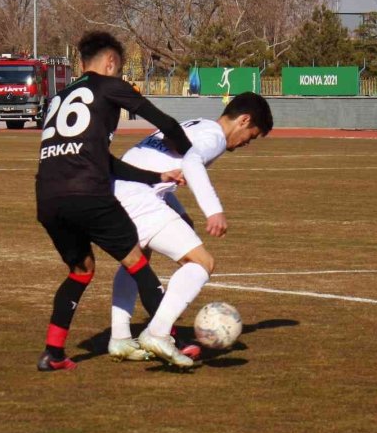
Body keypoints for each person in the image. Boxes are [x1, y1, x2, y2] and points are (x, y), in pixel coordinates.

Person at [35, 30, 194, 372]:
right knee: (138, 262)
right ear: (110, 63)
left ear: (81, 63)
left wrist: (155, 177)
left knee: (81, 271)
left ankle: (53, 352)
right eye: (118, 68)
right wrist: (189, 156)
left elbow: (100, 160)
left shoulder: (58, 98)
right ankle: (173, 340)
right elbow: (164, 122)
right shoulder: (110, 86)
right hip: (88, 194)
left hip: (48, 198)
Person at [110, 92, 274, 367]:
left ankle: (120, 337)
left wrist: (181, 212)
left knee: (136, 258)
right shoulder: (215, 137)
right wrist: (214, 210)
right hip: (137, 197)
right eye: (252, 136)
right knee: (202, 263)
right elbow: (191, 162)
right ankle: (158, 332)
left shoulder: (195, 124)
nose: (246, 143)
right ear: (244, 120)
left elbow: (155, 166)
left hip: (117, 190)